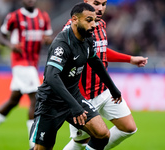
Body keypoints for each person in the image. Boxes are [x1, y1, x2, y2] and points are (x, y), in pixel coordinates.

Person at [29, 2, 123, 150]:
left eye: (94, 20)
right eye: (88, 20)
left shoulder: (87, 39)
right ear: (75, 19)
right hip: (51, 103)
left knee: (102, 134)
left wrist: (113, 88)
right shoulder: (62, 44)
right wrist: (74, 106)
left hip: (74, 97)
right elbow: (52, 77)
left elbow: (96, 62)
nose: (93, 25)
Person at [63, 0, 148, 150]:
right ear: (86, 2)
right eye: (96, 3)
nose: (100, 8)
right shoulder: (73, 27)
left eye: (104, 4)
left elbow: (100, 51)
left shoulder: (100, 24)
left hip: (103, 89)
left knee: (128, 127)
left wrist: (130, 59)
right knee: (81, 142)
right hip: (83, 96)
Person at [0, 0, 53, 149]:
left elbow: (48, 38)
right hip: (21, 63)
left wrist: (47, 40)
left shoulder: (43, 17)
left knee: (14, 100)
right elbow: (0, 36)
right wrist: (11, 45)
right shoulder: (14, 17)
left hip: (33, 64)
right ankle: (33, 144)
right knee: (36, 99)